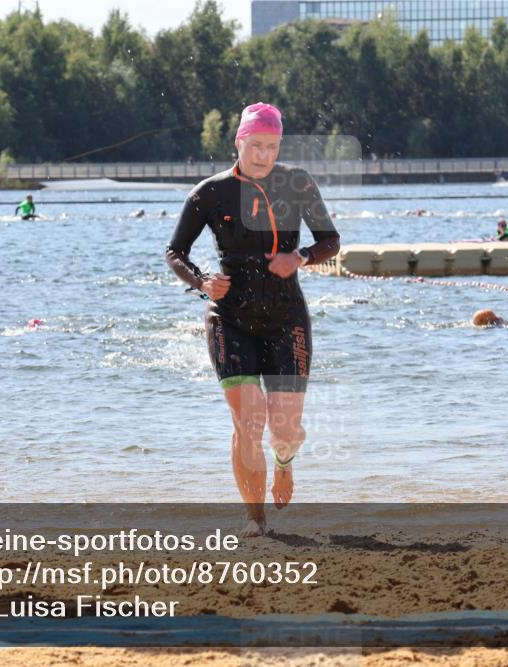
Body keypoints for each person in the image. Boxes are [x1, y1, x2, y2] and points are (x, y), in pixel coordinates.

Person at [165, 102, 340, 537]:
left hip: (286, 318)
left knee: (285, 429)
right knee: (248, 421)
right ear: (239, 142)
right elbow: (175, 252)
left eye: (272, 146)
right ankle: (255, 517)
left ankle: (284, 461)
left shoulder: (297, 184)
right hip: (230, 318)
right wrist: (204, 282)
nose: (264, 155)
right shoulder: (210, 192)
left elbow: (331, 241)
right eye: (256, 145)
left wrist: (300, 257)